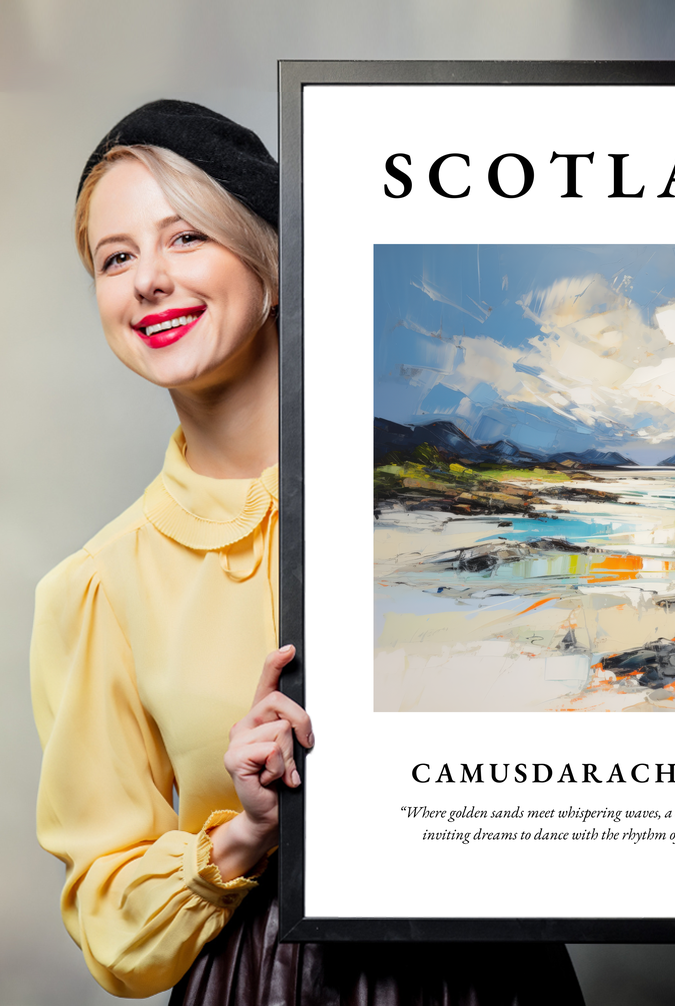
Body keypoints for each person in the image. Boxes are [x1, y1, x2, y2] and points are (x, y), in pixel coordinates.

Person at [30, 100, 586, 1004]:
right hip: (262, 982)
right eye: (116, 257)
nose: (148, 281)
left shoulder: (442, 505)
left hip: (492, 973)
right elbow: (110, 923)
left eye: (185, 239)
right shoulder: (97, 587)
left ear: (273, 263)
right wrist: (245, 832)